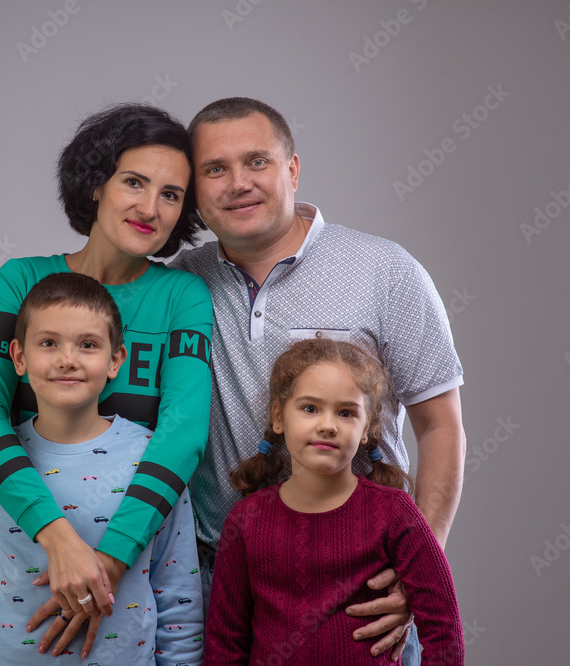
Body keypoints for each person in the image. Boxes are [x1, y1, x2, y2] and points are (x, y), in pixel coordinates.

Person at [170, 97, 465, 663]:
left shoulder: (385, 271)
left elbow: (440, 425)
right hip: (220, 585)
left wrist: (415, 571)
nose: (238, 184)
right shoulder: (182, 284)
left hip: (360, 597)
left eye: (256, 161)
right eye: (215, 169)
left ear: (293, 170)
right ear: (195, 188)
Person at [0, 104, 213, 652]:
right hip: (24, 578)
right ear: (96, 184)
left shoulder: (183, 297)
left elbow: (184, 433)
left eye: (171, 194)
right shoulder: (21, 280)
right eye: (134, 182)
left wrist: (110, 561)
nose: (151, 207)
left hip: (134, 585)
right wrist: (60, 543)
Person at [0, 273, 203, 664]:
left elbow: (177, 596)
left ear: (116, 359)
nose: (67, 359)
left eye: (88, 345)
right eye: (48, 343)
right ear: (18, 357)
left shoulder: (154, 462)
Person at [204, 339, 463, 665]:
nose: (327, 425)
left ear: (367, 427)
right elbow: (224, 645)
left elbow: (444, 629)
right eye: (310, 408)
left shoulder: (394, 512)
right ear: (278, 417)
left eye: (345, 413)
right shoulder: (247, 520)